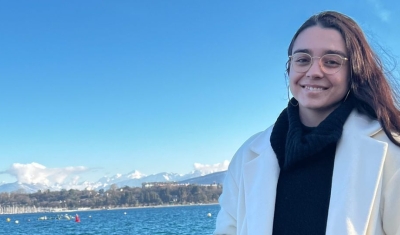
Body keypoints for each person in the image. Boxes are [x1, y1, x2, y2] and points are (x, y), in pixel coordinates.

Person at [214, 11, 400, 235]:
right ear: (289, 68)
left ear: (354, 71)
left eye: (331, 62)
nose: (313, 72)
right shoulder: (247, 156)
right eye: (302, 60)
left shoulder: (390, 150)